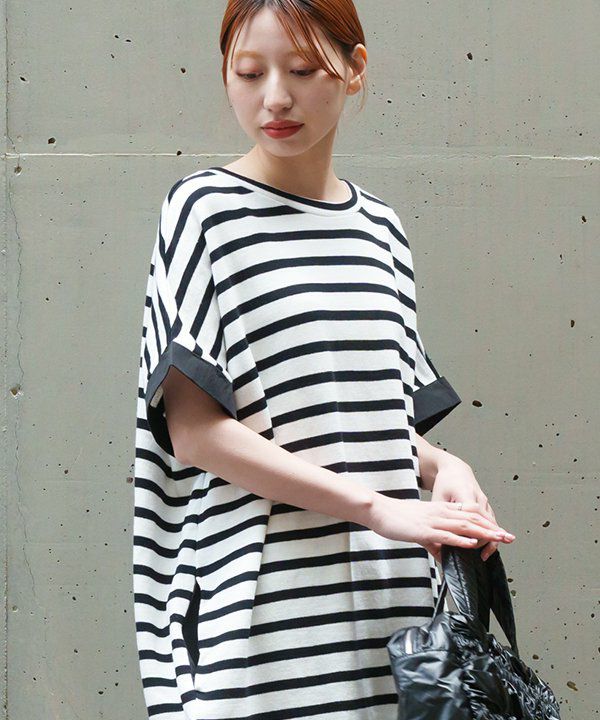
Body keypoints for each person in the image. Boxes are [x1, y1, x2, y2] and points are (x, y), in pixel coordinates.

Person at [132, 1, 516, 717]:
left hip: (392, 608)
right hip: (263, 612)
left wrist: (445, 468)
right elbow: (196, 433)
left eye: (303, 70)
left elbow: (355, 414)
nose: (275, 97)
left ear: (354, 69)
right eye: (250, 73)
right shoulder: (204, 212)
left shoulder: (380, 231)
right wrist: (380, 508)